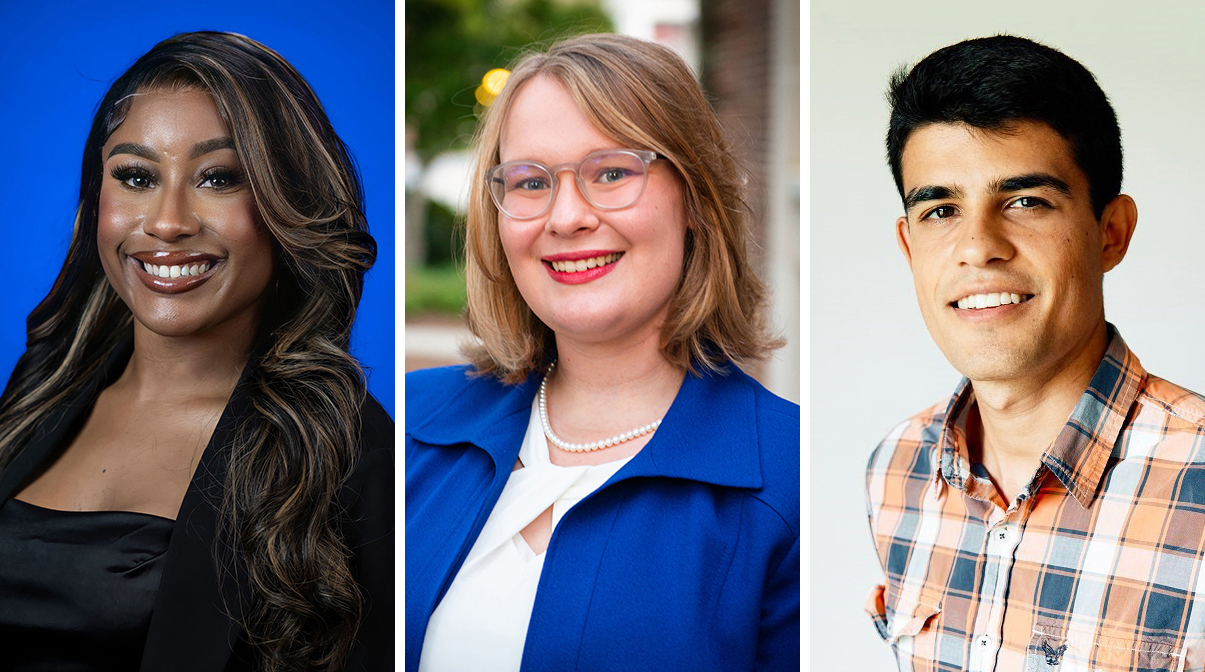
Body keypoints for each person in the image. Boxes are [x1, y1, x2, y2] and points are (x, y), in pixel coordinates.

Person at [405, 33, 800, 672]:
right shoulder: (404, 426)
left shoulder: (792, 478)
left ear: (695, 199)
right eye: (530, 181)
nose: (566, 217)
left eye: (611, 172)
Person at [0, 32, 392, 671]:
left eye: (217, 177)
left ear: (286, 201)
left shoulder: (349, 457)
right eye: (135, 176)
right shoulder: (41, 388)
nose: (168, 221)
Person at [865, 35, 1205, 671]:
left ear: (1112, 232)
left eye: (1025, 202)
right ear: (910, 248)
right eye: (940, 209)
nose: (978, 247)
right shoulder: (896, 472)